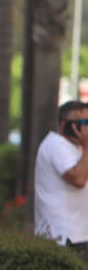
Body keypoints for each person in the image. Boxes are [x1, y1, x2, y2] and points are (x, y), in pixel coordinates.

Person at [34, 100, 88, 249]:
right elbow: (78, 179)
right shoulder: (56, 145)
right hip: (62, 235)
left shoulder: (78, 148)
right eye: (82, 123)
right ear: (64, 125)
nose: (85, 129)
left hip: (77, 234)